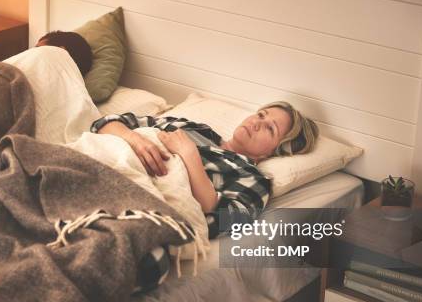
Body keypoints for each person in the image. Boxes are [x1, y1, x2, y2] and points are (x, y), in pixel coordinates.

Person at [91, 102, 319, 238]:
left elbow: (221, 220)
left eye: (270, 128)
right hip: (95, 167)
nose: (257, 123)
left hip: (131, 204)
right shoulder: (190, 127)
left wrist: (189, 155)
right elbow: (105, 123)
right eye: (261, 115)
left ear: (275, 151)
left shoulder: (252, 179)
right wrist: (135, 140)